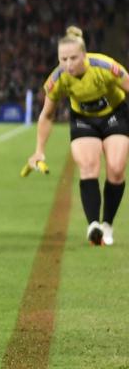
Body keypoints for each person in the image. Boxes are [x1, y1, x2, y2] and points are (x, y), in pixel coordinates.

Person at [29, 26, 129, 246]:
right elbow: (47, 116)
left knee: (116, 168)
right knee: (88, 166)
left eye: (73, 58)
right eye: (63, 59)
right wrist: (39, 150)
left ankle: (107, 225)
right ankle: (93, 225)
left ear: (84, 55)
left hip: (115, 115)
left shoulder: (105, 67)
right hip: (83, 119)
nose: (67, 64)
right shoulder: (57, 79)